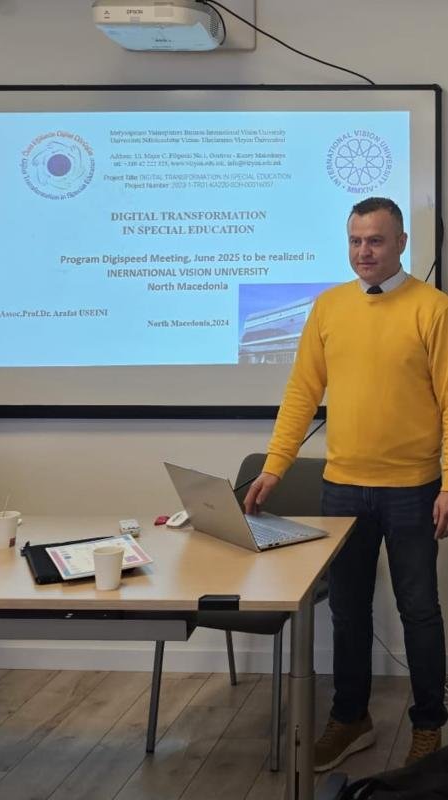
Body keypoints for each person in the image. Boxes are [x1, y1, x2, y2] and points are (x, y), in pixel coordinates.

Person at [244, 197, 448, 771]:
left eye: (376, 240)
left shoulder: (433, 309)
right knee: (347, 611)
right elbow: (301, 394)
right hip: (342, 489)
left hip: (412, 488)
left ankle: (429, 726)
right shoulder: (329, 307)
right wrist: (275, 466)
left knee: (419, 611)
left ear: (401, 242)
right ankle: (351, 717)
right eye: (356, 240)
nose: (364, 251)